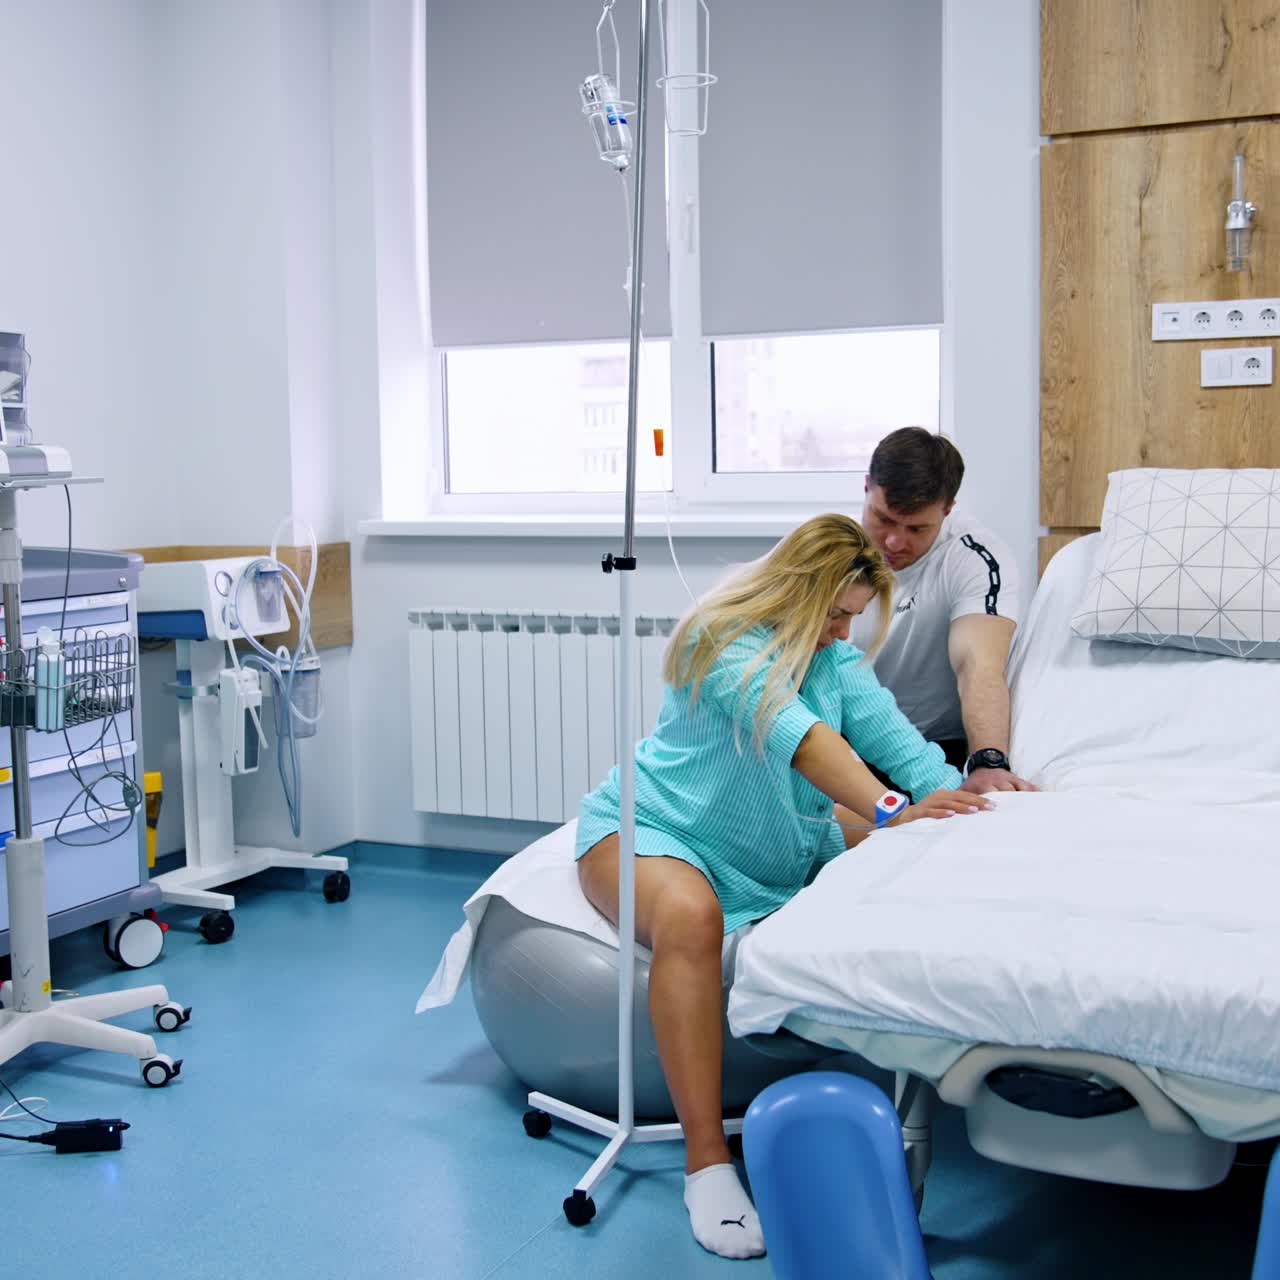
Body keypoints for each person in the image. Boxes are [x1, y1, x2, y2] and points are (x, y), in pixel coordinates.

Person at [574, 514, 992, 1260]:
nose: (842, 632)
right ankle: (706, 1164)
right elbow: (806, 742)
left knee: (925, 831)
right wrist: (893, 809)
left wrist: (965, 803)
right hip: (660, 830)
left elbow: (896, 740)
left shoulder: (835, 661)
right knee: (694, 917)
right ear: (801, 595)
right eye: (837, 614)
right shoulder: (721, 640)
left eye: (854, 618)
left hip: (773, 840)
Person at [851, 427, 1036, 795]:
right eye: (883, 519)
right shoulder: (826, 550)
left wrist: (988, 761)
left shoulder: (975, 558)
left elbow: (978, 664)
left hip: (934, 747)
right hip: (841, 743)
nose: (894, 542)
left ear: (948, 510)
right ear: (867, 486)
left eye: (917, 528)